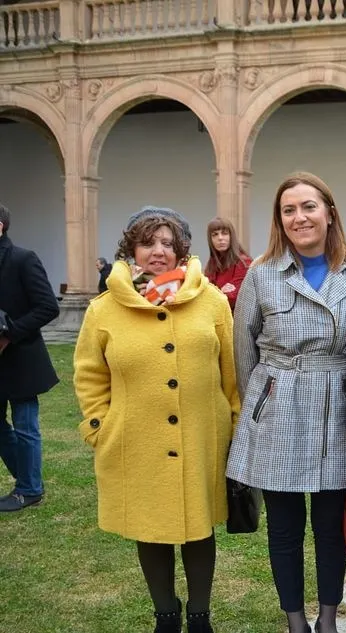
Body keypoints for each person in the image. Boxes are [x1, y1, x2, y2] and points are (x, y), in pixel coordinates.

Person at [73, 206, 240, 633]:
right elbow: (90, 374)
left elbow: (232, 373)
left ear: (182, 251)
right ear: (131, 249)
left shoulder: (213, 302)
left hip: (203, 435)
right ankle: (166, 614)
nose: (159, 251)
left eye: (169, 243)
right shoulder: (104, 310)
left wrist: (235, 427)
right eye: (148, 242)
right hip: (136, 439)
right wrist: (99, 426)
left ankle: (200, 616)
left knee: (200, 527)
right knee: (150, 528)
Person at [226, 172, 346, 633]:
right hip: (279, 407)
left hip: (336, 409)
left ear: (329, 213)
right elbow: (242, 350)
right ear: (279, 220)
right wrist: (264, 400)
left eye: (309, 206)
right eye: (289, 210)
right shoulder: (261, 274)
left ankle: (327, 618)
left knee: (330, 527)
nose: (300, 217)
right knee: (284, 528)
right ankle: (295, 621)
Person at [0, 203, 60, 513]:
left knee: (25, 425)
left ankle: (29, 489)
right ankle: (25, 478)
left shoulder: (23, 259)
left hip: (21, 357)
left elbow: (48, 307)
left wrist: (9, 332)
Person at [204, 216, 252, 311]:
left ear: (231, 236)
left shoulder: (243, 262)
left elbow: (234, 297)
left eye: (224, 233)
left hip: (237, 321)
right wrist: (221, 292)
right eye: (215, 235)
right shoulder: (211, 266)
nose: (220, 238)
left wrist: (216, 293)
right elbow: (204, 299)